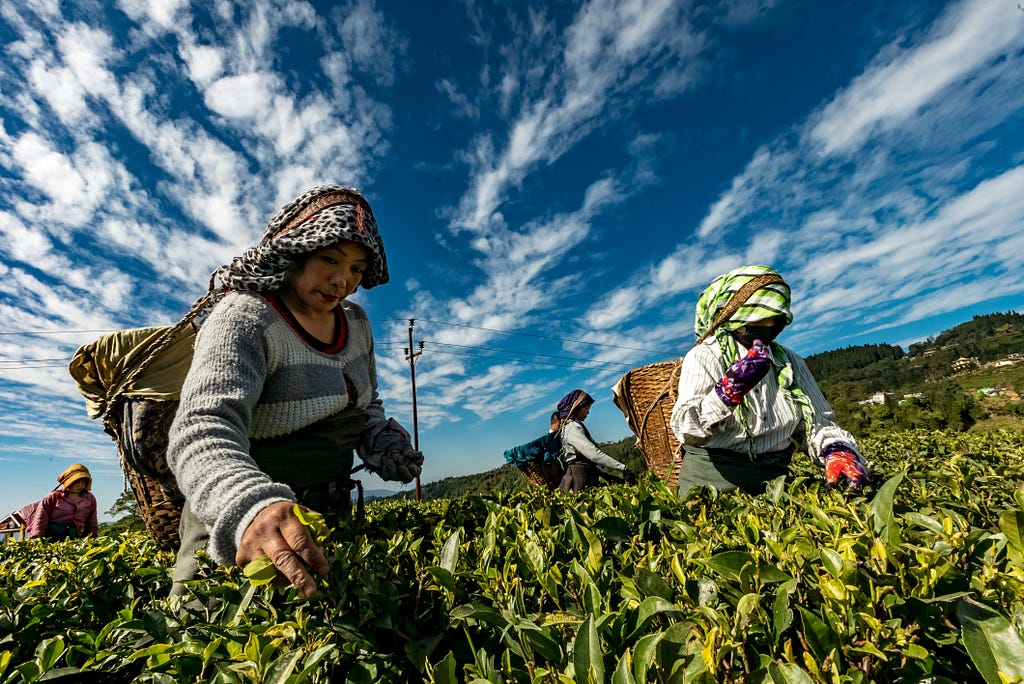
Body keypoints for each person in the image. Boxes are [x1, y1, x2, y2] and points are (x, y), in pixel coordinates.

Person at [167, 185, 424, 599]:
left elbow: (365, 403)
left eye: (358, 269)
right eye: (330, 259)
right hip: (242, 522)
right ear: (295, 251)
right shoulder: (246, 316)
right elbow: (203, 427)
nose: (342, 281)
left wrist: (381, 439)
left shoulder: (356, 324)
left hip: (326, 516)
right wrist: (250, 506)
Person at [669, 264, 870, 496]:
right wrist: (728, 391)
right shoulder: (706, 355)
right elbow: (686, 429)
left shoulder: (790, 362)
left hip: (774, 484)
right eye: (757, 320)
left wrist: (836, 451)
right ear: (733, 315)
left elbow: (816, 423)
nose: (768, 327)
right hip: (711, 486)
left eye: (774, 319)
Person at [556, 389, 637, 493]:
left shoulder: (573, 426)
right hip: (579, 478)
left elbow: (586, 458)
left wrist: (604, 474)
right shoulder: (572, 427)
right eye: (586, 408)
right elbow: (594, 454)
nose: (588, 412)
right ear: (577, 408)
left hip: (585, 474)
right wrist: (623, 468)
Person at [25, 464, 99, 540]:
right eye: (78, 482)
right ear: (70, 482)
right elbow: (41, 518)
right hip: (54, 538)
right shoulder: (53, 497)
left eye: (83, 483)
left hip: (79, 538)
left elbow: (92, 519)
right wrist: (38, 537)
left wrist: (93, 537)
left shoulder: (89, 498)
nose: (81, 485)